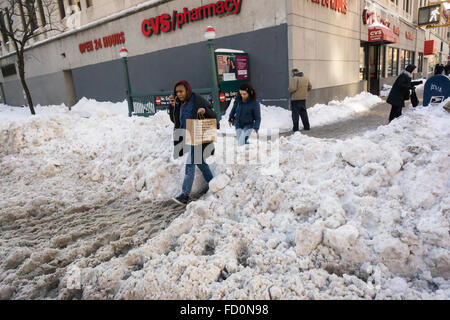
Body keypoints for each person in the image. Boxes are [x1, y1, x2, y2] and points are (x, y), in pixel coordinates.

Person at [169, 80, 216, 206]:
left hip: (198, 135)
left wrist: (204, 111)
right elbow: (175, 120)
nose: (179, 94)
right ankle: (213, 183)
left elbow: (213, 115)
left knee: (190, 164)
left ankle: (185, 195)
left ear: (187, 90)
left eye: (181, 91)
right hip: (189, 136)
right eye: (177, 92)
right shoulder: (180, 104)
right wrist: (173, 106)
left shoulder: (197, 101)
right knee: (199, 162)